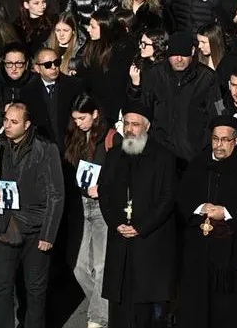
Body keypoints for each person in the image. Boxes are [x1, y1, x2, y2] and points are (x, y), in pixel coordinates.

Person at [0, 102, 64, 328]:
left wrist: (48, 234)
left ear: (27, 124)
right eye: (5, 119)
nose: (7, 125)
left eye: (14, 122)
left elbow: (56, 194)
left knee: (35, 289)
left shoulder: (45, 149)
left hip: (35, 229)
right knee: (1, 287)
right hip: (3, 225)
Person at [98, 103, 177, 327]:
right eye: (126, 124)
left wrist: (141, 226)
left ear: (147, 127)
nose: (130, 129)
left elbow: (167, 197)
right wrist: (115, 223)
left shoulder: (163, 157)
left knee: (145, 310)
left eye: (135, 124)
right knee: (119, 307)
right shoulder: (114, 155)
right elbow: (104, 191)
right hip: (120, 238)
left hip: (148, 241)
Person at [176, 115, 237, 328]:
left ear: (236, 141)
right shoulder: (199, 162)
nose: (219, 145)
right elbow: (182, 196)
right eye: (215, 139)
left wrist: (226, 212)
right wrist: (201, 208)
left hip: (230, 247)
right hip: (199, 247)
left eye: (225, 140)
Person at [128, 31, 226, 169]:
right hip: (159, 152)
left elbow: (216, 115)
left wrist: (205, 148)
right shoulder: (155, 74)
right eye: (175, 54)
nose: (179, 59)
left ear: (192, 51)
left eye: (183, 54)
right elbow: (144, 109)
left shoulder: (208, 78)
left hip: (192, 155)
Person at [64, 94, 117, 328]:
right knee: (80, 266)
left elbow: (122, 172)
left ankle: (98, 319)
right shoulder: (76, 135)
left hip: (102, 205)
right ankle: (105, 307)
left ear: (95, 114)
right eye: (75, 119)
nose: (78, 123)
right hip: (82, 205)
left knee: (102, 265)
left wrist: (103, 187)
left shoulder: (111, 137)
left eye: (82, 118)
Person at [21, 47, 84, 152]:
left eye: (57, 62)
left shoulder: (74, 86)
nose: (54, 67)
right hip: (42, 151)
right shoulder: (27, 92)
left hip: (71, 148)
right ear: (37, 68)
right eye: (48, 65)